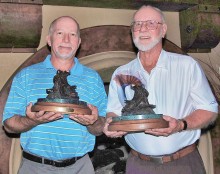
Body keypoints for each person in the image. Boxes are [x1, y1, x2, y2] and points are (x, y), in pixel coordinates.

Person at [103, 5, 218, 174]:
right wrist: (111, 125)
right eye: (138, 24)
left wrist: (180, 124)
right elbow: (113, 112)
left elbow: (210, 109)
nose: (143, 29)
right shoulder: (121, 73)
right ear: (132, 31)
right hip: (138, 165)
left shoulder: (186, 65)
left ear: (163, 30)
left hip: (183, 164)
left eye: (151, 23)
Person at [3, 16, 107, 174]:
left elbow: (101, 127)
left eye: (72, 34)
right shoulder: (26, 76)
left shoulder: (93, 79)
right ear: (49, 40)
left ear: (78, 42)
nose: (66, 39)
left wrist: (93, 122)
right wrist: (31, 121)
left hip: (80, 167)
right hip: (35, 167)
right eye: (59, 33)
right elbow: (9, 125)